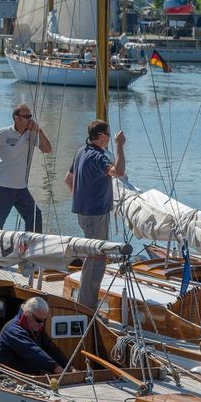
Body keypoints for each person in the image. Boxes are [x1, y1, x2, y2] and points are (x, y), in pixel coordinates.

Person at [64, 120, 126, 310]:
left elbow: (68, 180)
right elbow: (120, 172)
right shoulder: (99, 157)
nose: (110, 136)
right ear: (101, 136)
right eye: (109, 134)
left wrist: (81, 198)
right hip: (97, 214)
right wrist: (119, 146)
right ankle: (87, 306)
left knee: (91, 257)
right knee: (97, 260)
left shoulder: (80, 151)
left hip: (83, 213)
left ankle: (85, 301)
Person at [0, 104, 52, 233]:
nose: (30, 119)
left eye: (30, 116)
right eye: (27, 116)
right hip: (3, 187)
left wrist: (39, 131)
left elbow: (47, 149)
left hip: (21, 188)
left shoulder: (32, 134)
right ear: (17, 118)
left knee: (35, 217)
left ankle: (31, 247)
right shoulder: (4, 133)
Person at [0, 297, 69, 375]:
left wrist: (69, 367)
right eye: (39, 320)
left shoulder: (36, 327)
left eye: (44, 320)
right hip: (13, 378)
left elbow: (52, 349)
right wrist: (62, 373)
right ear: (28, 314)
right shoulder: (12, 330)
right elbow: (34, 352)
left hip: (32, 374)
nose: (42, 324)